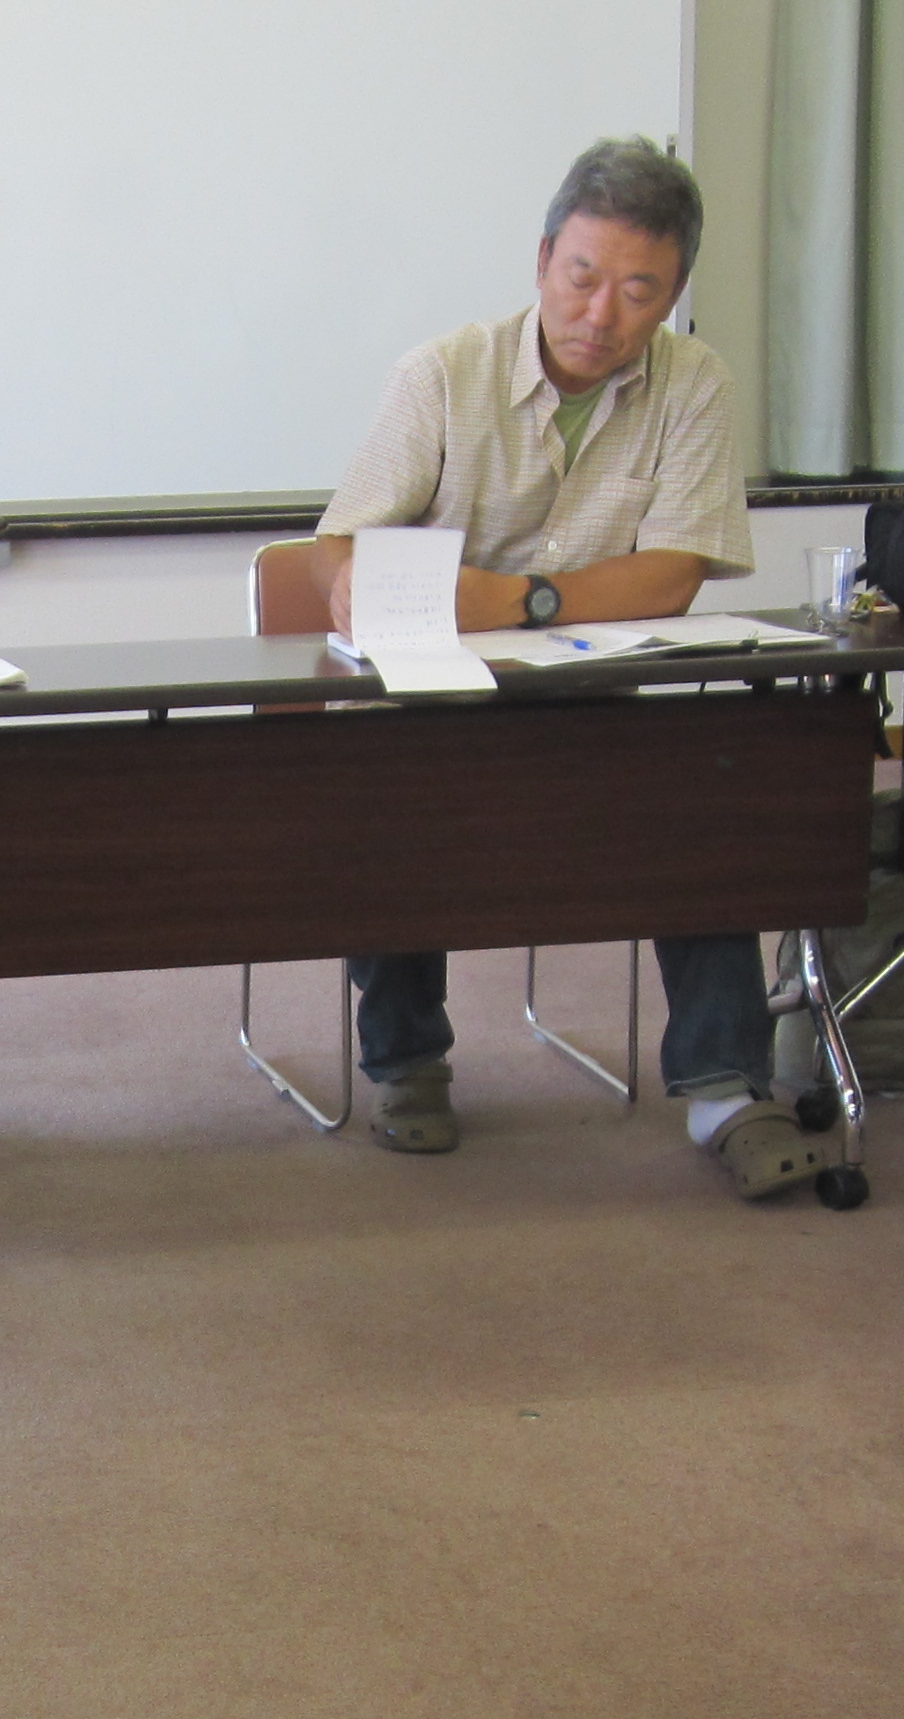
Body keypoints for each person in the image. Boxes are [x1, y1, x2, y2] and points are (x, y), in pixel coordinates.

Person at [311, 138, 819, 1193]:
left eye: (640, 292)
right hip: (433, 699)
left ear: (673, 294)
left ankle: (725, 1086)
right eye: (582, 278)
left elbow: (672, 573)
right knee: (386, 788)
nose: (602, 315)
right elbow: (341, 541)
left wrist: (516, 599)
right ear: (543, 259)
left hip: (601, 698)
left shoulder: (694, 384)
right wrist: (358, 582)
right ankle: (406, 1063)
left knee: (707, 787)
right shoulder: (442, 376)